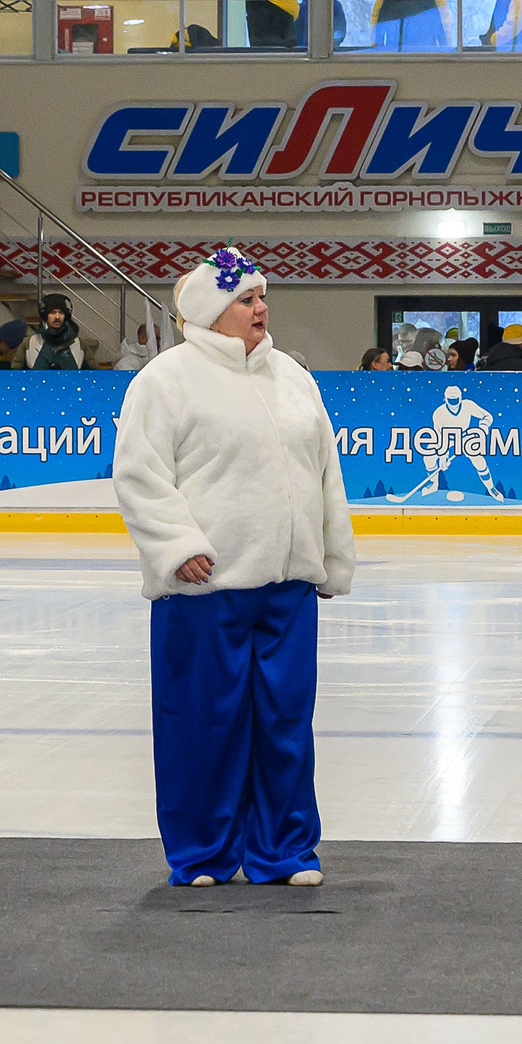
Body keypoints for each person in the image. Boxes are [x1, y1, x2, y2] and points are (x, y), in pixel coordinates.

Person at [113, 247, 356, 888]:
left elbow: (325, 472)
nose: (260, 308)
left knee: (284, 724)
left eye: (261, 297)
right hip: (206, 587)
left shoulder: (293, 378)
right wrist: (175, 545)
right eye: (246, 300)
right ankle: (203, 854)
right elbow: (139, 473)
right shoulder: (165, 381)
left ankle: (285, 851)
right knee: (203, 724)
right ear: (212, 312)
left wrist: (329, 556)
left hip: (287, 588)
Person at [27, 292, 87, 370]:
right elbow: (16, 375)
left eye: (61, 312)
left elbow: (95, 374)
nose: (57, 317)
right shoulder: (29, 343)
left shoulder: (80, 344)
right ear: (45, 315)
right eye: (53, 312)